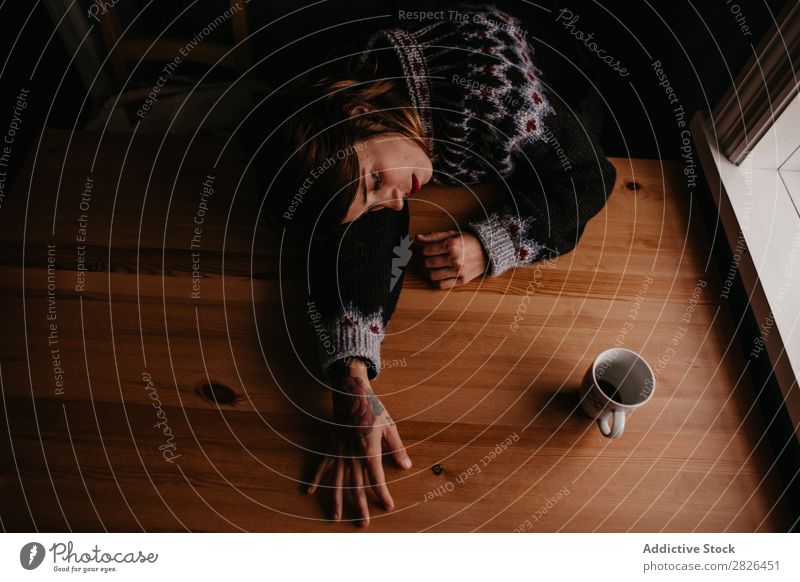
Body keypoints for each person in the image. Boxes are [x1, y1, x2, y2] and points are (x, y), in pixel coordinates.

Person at [253, 4, 616, 526]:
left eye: (376, 182)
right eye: (375, 197)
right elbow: (360, 229)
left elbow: (587, 178)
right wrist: (352, 376)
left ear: (359, 113)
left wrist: (491, 244)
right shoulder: (333, 109)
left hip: (567, 69)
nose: (398, 204)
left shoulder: (498, 104)